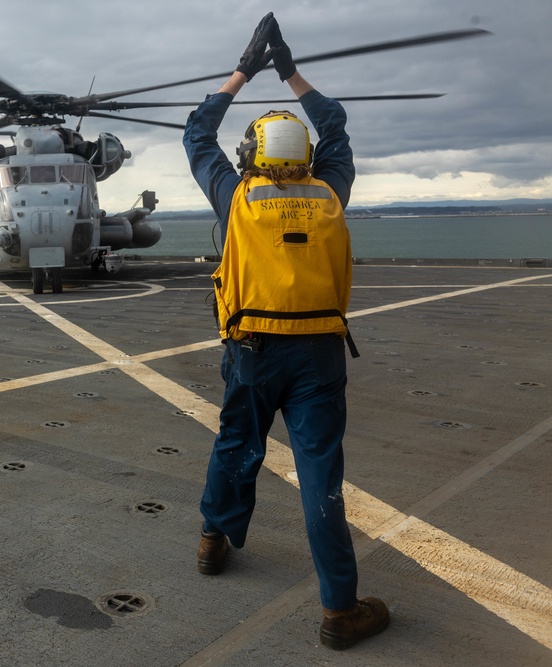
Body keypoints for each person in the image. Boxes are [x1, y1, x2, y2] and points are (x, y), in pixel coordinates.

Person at [182, 13, 390, 651]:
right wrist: (289, 71)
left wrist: (244, 67)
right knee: (320, 477)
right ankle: (339, 609)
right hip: (319, 356)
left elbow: (196, 133)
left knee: (237, 441)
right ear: (305, 157)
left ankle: (214, 542)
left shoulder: (236, 197)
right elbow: (337, 124)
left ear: (250, 156)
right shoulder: (331, 191)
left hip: (251, 352)